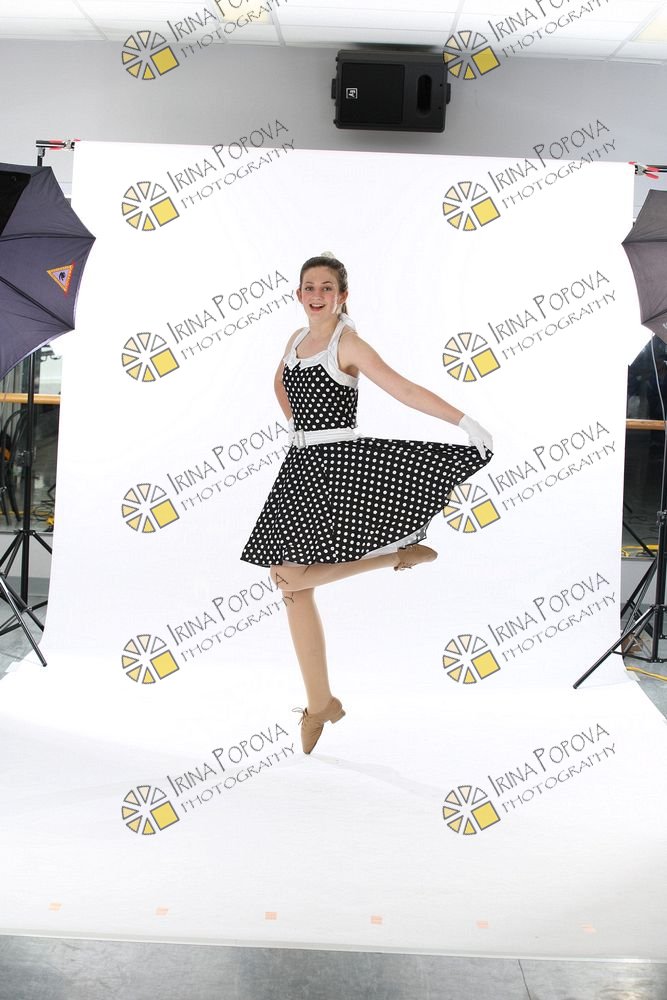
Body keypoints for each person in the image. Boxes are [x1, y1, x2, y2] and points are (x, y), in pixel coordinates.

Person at [241, 253, 492, 754]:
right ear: (298, 294)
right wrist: (296, 427)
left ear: (342, 295)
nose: (316, 294)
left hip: (338, 468)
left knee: (288, 577)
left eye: (326, 287)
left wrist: (465, 422)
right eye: (309, 286)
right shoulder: (295, 339)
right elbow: (279, 382)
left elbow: (402, 388)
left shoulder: (348, 343)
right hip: (301, 466)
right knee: (292, 590)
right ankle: (320, 703)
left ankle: (394, 557)